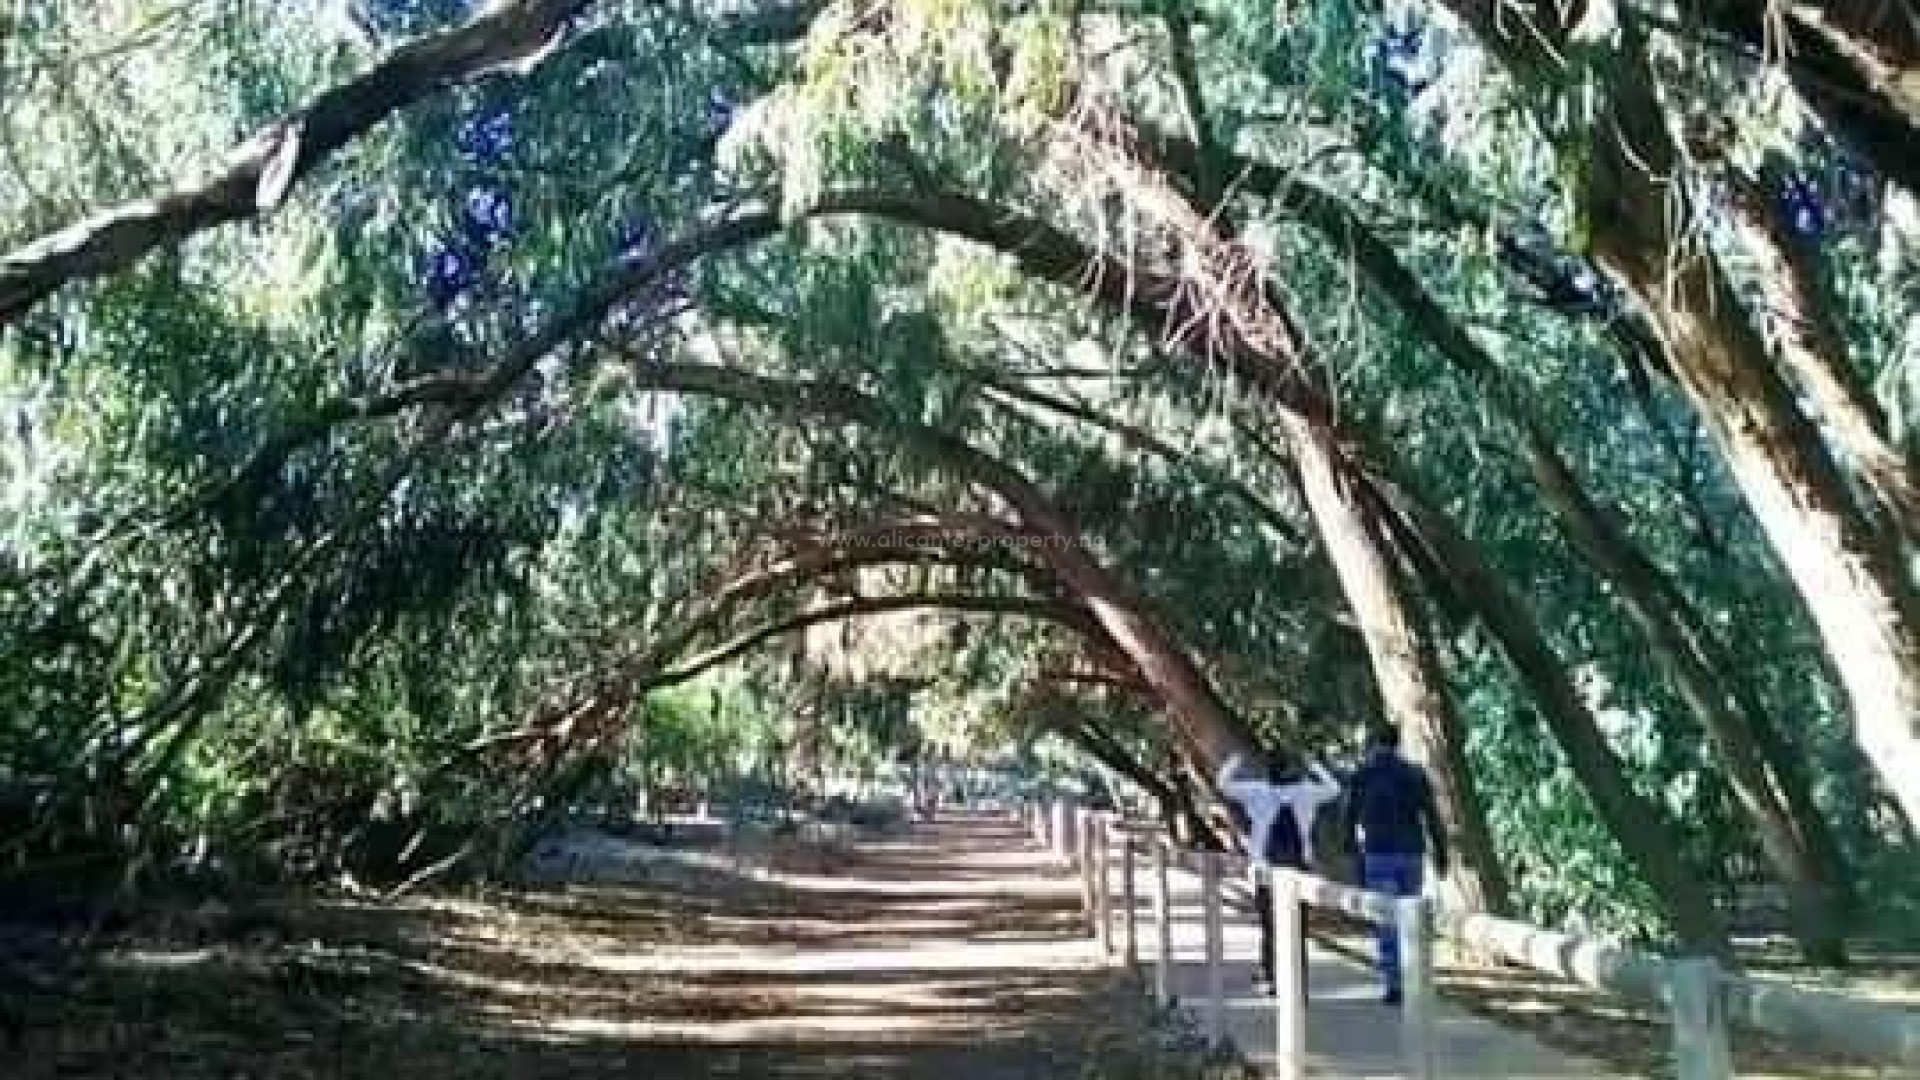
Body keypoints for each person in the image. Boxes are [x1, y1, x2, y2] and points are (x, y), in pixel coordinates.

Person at [1216, 752, 1342, 996]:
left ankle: (1274, 978)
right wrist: (1315, 765)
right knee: (1299, 928)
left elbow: (1222, 784)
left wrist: (1235, 761)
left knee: (1270, 926)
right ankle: (1299, 982)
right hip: (1298, 869)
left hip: (1266, 870)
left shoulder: (1257, 791)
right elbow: (1334, 789)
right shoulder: (1307, 792)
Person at [1341, 723, 1450, 1004]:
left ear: (1374, 743)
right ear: (1397, 742)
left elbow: (1349, 815)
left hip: (1378, 852)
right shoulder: (1414, 773)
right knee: (1410, 915)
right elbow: (1431, 814)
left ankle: (1395, 982)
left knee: (1387, 919)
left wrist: (1350, 849)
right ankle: (1413, 975)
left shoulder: (1362, 774)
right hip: (1412, 851)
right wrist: (1441, 851)